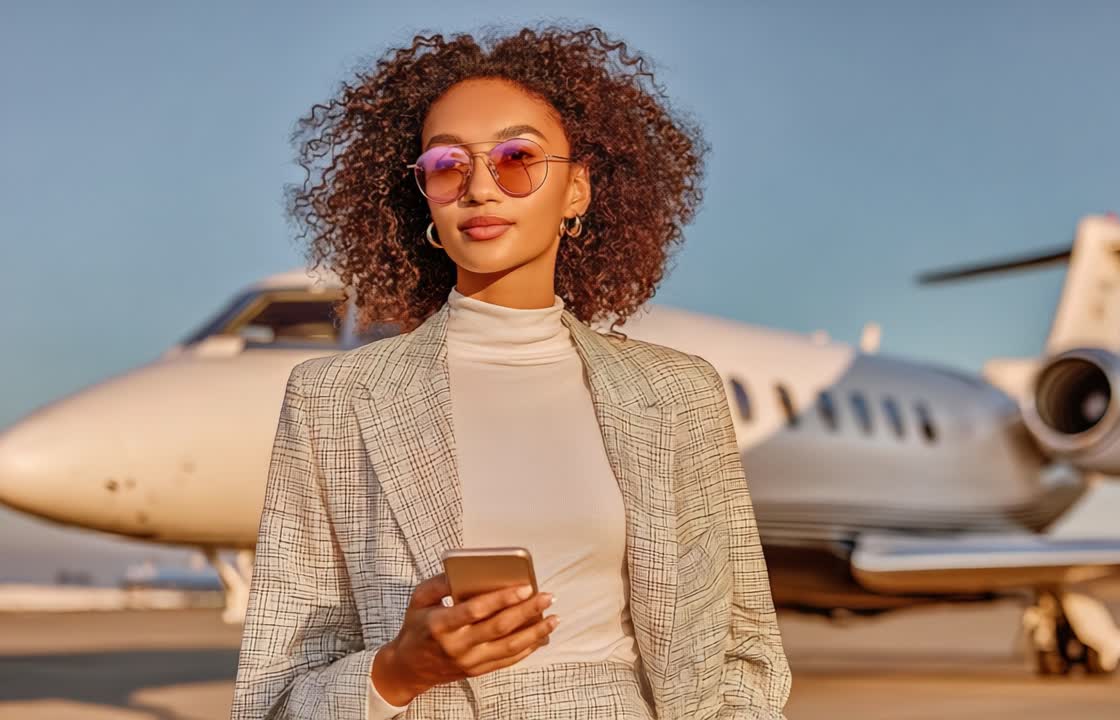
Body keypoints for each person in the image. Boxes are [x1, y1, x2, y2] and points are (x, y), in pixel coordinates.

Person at [230, 23, 791, 720]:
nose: (479, 188)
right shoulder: (333, 401)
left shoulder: (677, 394)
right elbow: (272, 699)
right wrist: (397, 672)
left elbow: (744, 653)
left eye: (516, 157)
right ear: (425, 197)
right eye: (446, 165)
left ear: (577, 189)